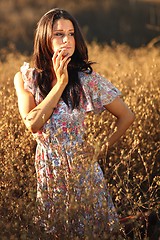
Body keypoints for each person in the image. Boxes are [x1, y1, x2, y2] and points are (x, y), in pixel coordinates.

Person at [14, 8, 134, 239]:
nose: (66, 40)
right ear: (44, 38)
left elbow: (127, 116)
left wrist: (100, 148)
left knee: (93, 232)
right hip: (49, 169)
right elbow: (32, 124)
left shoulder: (87, 79)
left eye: (71, 34)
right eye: (58, 34)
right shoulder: (27, 78)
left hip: (82, 171)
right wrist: (60, 84)